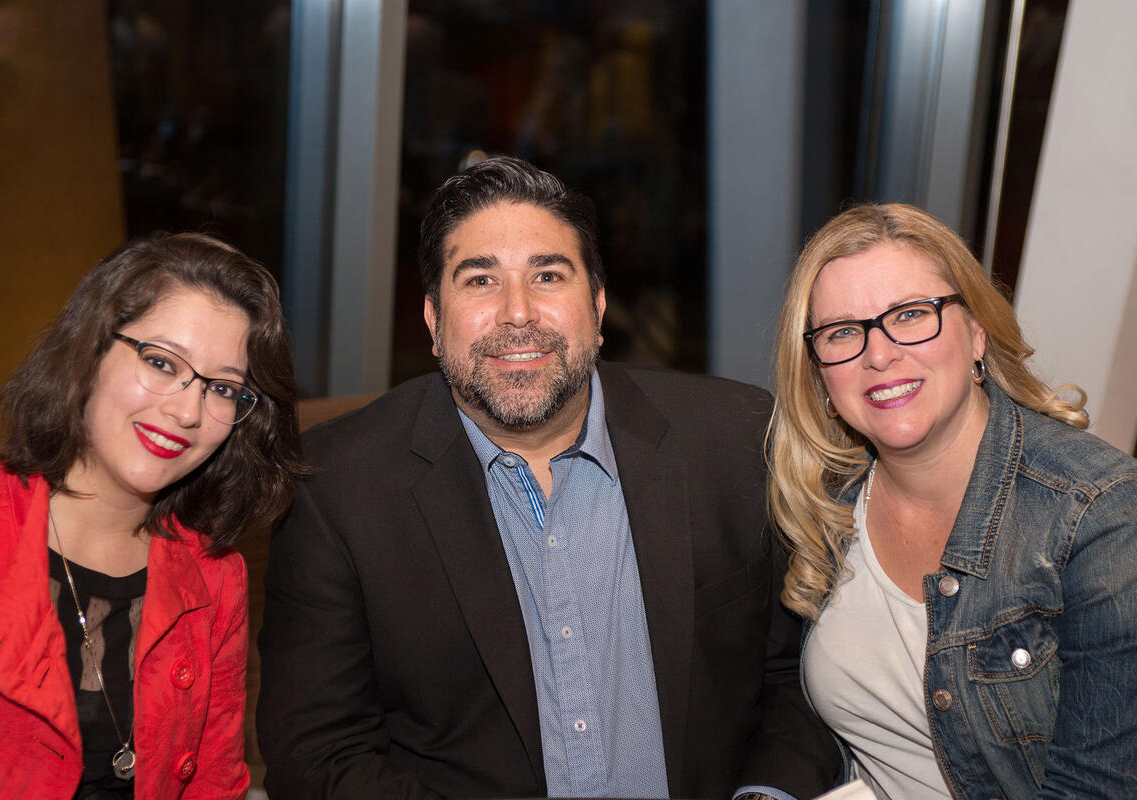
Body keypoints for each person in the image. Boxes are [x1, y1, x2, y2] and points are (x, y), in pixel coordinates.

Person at [256, 155, 839, 800]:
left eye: (548, 275)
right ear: (431, 318)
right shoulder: (337, 488)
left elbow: (802, 674)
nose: (518, 313)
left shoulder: (734, 440)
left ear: (597, 303)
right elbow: (319, 754)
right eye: (479, 280)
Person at [767, 203, 1137, 799]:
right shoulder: (820, 506)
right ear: (820, 380)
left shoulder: (1098, 512)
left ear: (978, 332)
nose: (878, 353)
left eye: (911, 315)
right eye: (842, 332)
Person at [0, 233, 306, 799]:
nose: (186, 410)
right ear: (90, 350)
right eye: (160, 362)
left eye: (223, 389)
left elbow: (213, 785)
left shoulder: (214, 573)